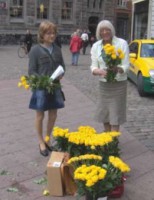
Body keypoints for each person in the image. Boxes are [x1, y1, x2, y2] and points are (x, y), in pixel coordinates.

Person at [28, 21, 65, 157]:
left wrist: (61, 74)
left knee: (53, 115)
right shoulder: (35, 50)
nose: (52, 35)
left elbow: (62, 66)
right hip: (40, 88)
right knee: (40, 116)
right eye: (49, 33)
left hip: (55, 86)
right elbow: (31, 71)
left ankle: (48, 139)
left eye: (53, 32)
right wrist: (43, 82)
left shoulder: (57, 49)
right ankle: (41, 142)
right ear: (42, 35)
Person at [90, 20, 129, 132]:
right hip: (104, 85)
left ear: (112, 30)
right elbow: (93, 66)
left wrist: (118, 69)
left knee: (115, 115)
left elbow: (126, 65)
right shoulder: (96, 46)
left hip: (119, 84)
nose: (105, 32)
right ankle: (107, 140)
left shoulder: (122, 43)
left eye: (107, 29)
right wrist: (99, 71)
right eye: (102, 30)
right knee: (105, 114)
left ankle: (113, 144)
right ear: (99, 32)